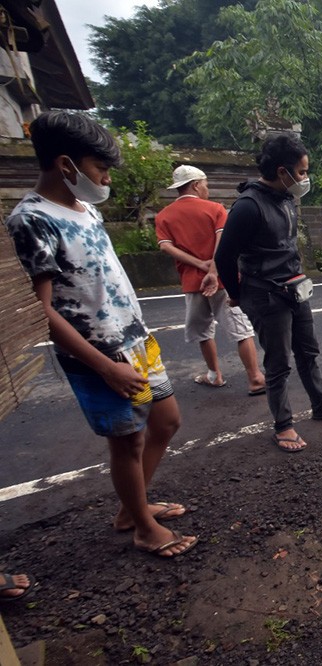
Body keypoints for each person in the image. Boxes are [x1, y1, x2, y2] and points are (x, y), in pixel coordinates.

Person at [5, 111, 197, 557]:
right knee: (128, 440)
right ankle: (143, 526)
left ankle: (134, 508)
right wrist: (106, 367)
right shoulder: (31, 220)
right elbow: (41, 309)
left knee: (166, 421)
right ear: (66, 165)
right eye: (101, 169)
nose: (106, 179)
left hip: (136, 341)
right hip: (98, 356)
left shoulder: (86, 208)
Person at [215, 132, 322, 453]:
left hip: (295, 289)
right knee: (278, 363)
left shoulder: (286, 199)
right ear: (282, 172)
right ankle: (283, 426)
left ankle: (321, 405)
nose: (305, 178)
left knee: (308, 352)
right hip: (265, 295)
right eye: (302, 172)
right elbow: (224, 256)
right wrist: (235, 294)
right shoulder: (248, 207)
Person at [155, 165, 266, 395]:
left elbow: (166, 246)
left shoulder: (164, 215)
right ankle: (255, 378)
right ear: (196, 185)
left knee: (203, 331)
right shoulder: (215, 209)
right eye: (205, 185)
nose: (207, 189)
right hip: (224, 280)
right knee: (240, 330)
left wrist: (199, 265)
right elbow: (223, 243)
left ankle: (214, 375)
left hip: (192, 282)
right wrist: (214, 271)